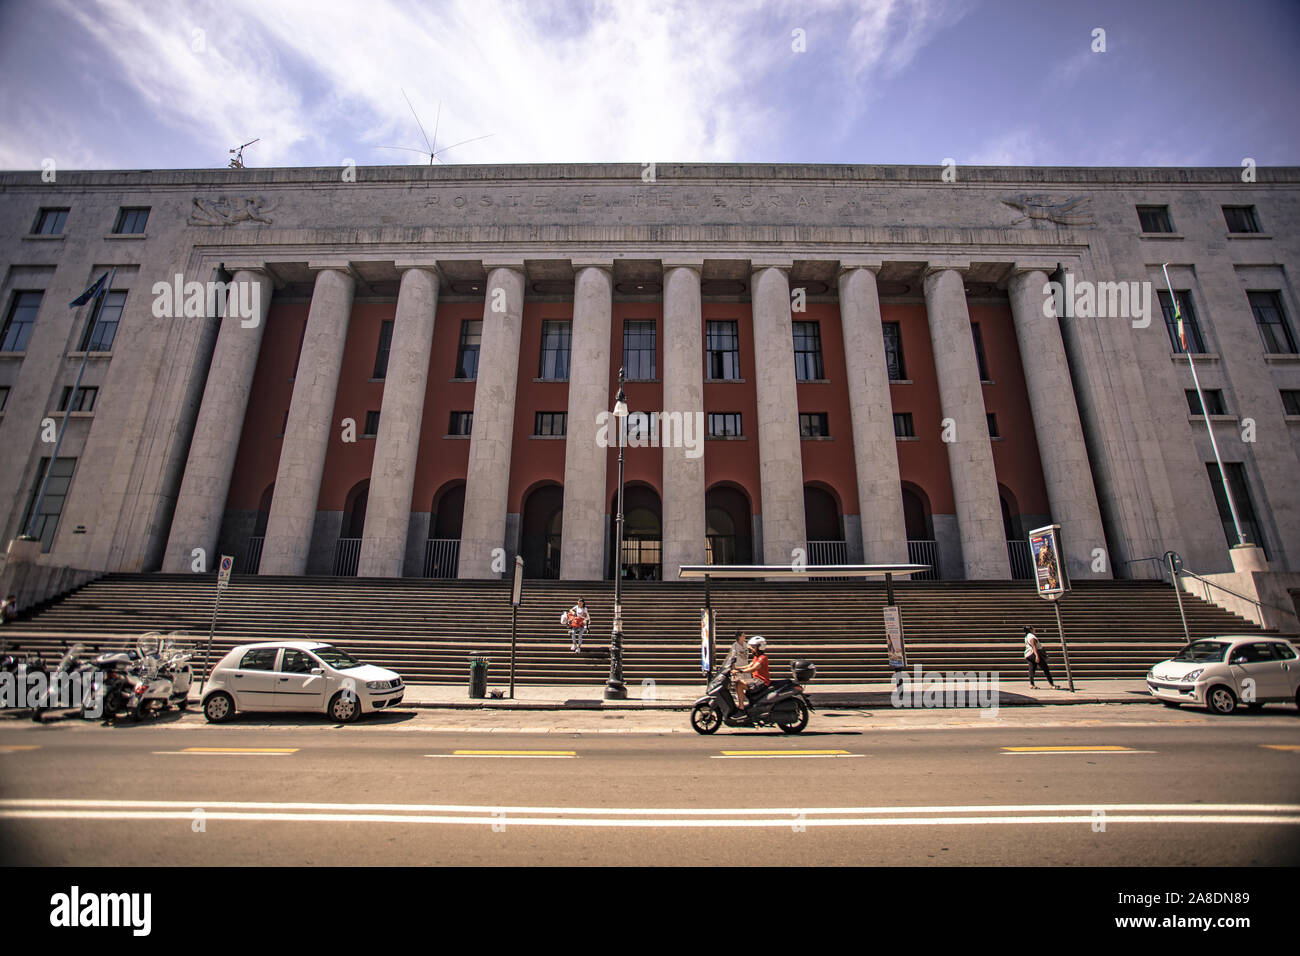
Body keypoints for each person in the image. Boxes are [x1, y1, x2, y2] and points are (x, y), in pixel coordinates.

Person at [732, 636, 770, 713]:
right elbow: (749, 666)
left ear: (760, 647)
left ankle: (741, 708)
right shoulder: (756, 657)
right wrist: (737, 668)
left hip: (761, 682)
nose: (751, 649)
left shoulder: (762, 658)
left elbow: (754, 668)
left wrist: (740, 672)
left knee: (739, 684)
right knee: (738, 683)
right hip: (756, 680)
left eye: (753, 647)